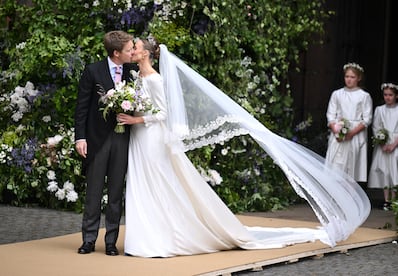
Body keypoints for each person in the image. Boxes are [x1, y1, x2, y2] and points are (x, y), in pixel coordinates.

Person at [118, 39, 370, 257]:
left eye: (136, 47)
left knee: (157, 181)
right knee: (142, 183)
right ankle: (145, 235)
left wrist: (136, 118)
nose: (132, 49)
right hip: (139, 136)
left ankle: (158, 237)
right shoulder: (138, 77)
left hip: (151, 136)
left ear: (146, 53)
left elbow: (163, 113)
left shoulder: (155, 79)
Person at [74, 31, 136, 256]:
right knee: (94, 192)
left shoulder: (133, 72)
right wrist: (80, 138)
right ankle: (88, 240)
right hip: (96, 140)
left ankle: (111, 241)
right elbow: (81, 107)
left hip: (122, 139)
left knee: (116, 193)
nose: (133, 52)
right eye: (129, 49)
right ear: (116, 53)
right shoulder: (93, 71)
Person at [325, 63, 373, 183]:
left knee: (351, 170)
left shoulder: (364, 96)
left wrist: (351, 133)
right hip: (338, 134)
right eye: (347, 76)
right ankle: (334, 198)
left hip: (355, 135)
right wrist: (336, 129)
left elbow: (367, 118)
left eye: (352, 77)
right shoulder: (337, 94)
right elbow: (331, 114)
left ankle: (349, 199)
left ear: (358, 78)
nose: (349, 79)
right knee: (336, 166)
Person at [368, 83, 398, 211]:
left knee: (394, 170)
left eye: (390, 95)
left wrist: (394, 144)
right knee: (385, 171)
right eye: (385, 95)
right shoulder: (379, 110)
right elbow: (376, 126)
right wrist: (382, 142)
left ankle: (395, 199)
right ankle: (387, 200)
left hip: (396, 143)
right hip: (384, 143)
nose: (388, 97)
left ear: (396, 96)